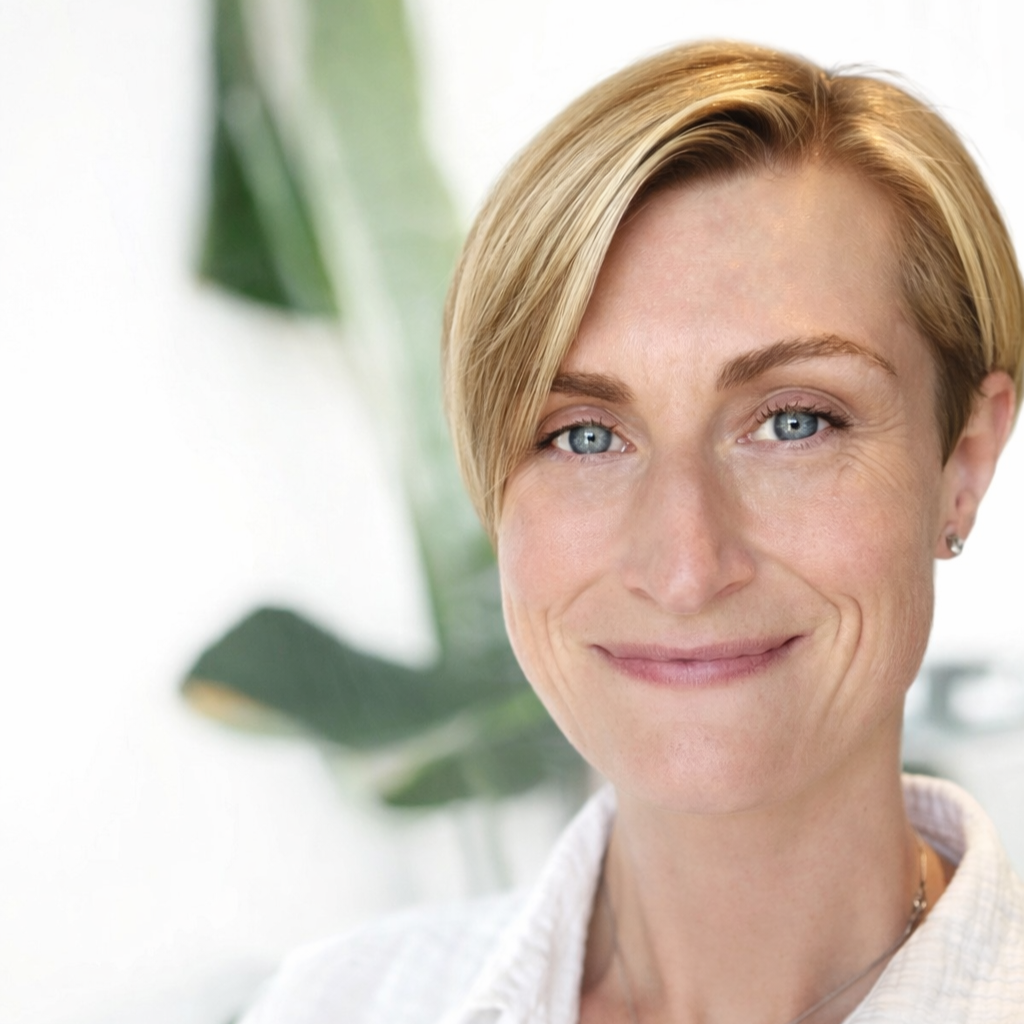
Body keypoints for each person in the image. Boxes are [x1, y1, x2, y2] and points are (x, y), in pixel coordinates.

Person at [240, 41, 1024, 1024]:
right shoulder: (336, 1003)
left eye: (794, 422)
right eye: (583, 435)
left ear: (963, 462)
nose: (686, 567)